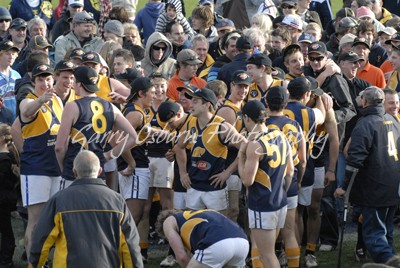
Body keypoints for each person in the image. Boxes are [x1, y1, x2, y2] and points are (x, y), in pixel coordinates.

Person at [30, 150, 144, 268]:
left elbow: (41, 241)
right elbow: (130, 245)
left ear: (74, 172)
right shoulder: (117, 201)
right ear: (100, 171)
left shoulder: (58, 200)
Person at [335, 86, 400, 264]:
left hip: (374, 188)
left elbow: (354, 161)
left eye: (360, 96)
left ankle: (390, 262)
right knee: (386, 232)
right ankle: (391, 258)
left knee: (374, 236)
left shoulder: (365, 123)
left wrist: (344, 188)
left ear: (365, 101)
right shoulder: (393, 120)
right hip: (391, 186)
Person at [55, 66, 137, 189]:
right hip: (98, 171)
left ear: (80, 84)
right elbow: (133, 137)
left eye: (74, 81)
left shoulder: (72, 106)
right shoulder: (110, 106)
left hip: (74, 170)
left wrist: (64, 169)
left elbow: (59, 148)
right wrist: (109, 155)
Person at [238, 99, 294, 268]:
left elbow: (247, 181)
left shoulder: (255, 145)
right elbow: (290, 171)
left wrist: (241, 156)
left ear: (247, 119)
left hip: (263, 205)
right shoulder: (280, 135)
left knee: (267, 256)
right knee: (270, 253)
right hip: (280, 202)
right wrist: (281, 191)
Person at [18, 64, 63, 263]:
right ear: (34, 82)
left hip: (56, 167)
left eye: (48, 79)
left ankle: (46, 259)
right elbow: (26, 112)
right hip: (36, 168)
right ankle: (33, 262)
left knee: (55, 219)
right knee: (35, 220)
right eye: (40, 80)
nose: (45, 83)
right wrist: (40, 101)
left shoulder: (59, 101)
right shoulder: (28, 100)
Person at [175, 87, 245, 214]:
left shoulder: (222, 126)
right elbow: (179, 147)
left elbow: (245, 148)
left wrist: (228, 173)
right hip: (193, 185)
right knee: (193, 226)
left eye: (195, 101)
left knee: (219, 225)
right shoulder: (191, 124)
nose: (191, 104)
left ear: (207, 105)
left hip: (215, 188)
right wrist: (182, 173)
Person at [265, 86, 307, 268]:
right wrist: (299, 181)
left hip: (267, 183)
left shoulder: (262, 124)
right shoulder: (295, 124)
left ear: (267, 102)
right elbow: (303, 160)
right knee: (289, 231)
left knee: (265, 233)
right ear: (285, 103)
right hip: (290, 180)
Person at [156, 209, 249, 267]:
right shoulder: (203, 213)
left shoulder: (168, 221)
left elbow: (182, 257)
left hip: (218, 244)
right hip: (242, 242)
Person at [0, 124, 19, 268]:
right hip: (6, 198)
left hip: (3, 199)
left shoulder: (5, 159)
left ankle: (6, 259)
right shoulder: (11, 156)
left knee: (6, 230)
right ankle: (6, 258)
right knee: (6, 229)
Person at [0, 40, 21, 120]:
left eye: (13, 54)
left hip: (16, 120)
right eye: (7, 54)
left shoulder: (17, 75)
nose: (11, 56)